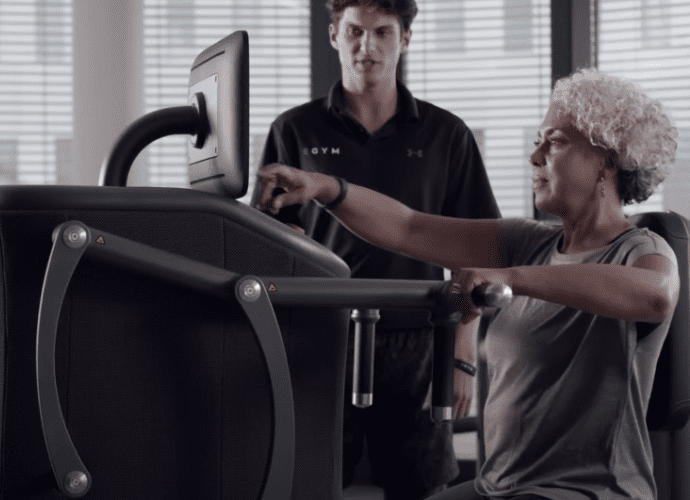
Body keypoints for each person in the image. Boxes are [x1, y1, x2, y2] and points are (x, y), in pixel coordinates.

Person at [256, 67, 680, 500]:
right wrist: (324, 187)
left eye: (554, 142)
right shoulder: (529, 242)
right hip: (500, 488)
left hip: (588, 491)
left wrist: (511, 278)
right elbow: (409, 228)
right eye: (537, 142)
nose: (534, 157)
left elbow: (654, 294)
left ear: (608, 158)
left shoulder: (642, 249)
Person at [249, 0, 501, 497]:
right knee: (308, 481)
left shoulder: (446, 134)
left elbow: (476, 256)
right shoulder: (294, 129)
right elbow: (270, 238)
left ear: (404, 39)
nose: (368, 46)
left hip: (420, 340)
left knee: (420, 488)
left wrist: (462, 357)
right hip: (322, 338)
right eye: (355, 31)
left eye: (383, 32)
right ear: (334, 37)